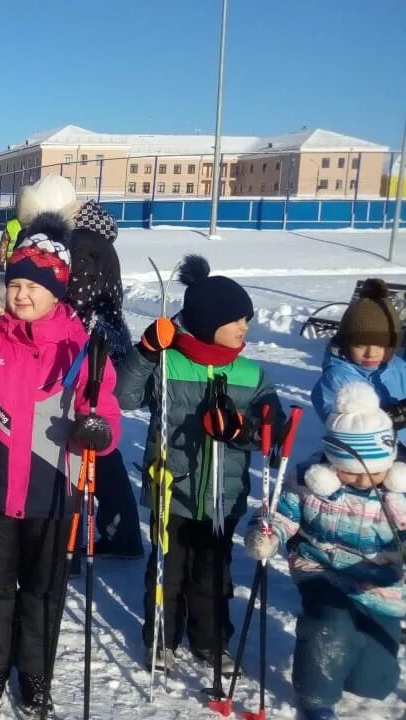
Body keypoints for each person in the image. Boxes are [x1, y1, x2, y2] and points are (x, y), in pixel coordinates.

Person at [0, 215, 121, 715]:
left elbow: (108, 412)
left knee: (43, 587)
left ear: (58, 291)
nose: (23, 295)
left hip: (55, 490)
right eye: (15, 285)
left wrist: (98, 430)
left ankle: (34, 672)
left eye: (35, 286)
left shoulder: (81, 349)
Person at [115, 254, 282, 675]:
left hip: (223, 498)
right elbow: (122, 397)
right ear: (209, 321)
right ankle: (162, 641)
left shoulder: (251, 373)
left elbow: (272, 430)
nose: (246, 327)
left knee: (213, 575)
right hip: (173, 489)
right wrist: (146, 352)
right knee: (167, 574)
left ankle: (211, 642)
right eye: (237, 320)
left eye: (247, 319)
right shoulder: (169, 363)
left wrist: (243, 429)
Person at [244, 381, 406, 720]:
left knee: (375, 682)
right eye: (353, 472)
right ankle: (316, 696)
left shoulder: (399, 491)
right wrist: (267, 535)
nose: (366, 480)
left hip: (382, 584)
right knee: (329, 626)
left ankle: (358, 665)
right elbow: (278, 513)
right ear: (333, 461)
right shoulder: (311, 480)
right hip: (321, 569)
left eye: (375, 470)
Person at [66, 200, 143, 565]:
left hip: (90, 344)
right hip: (108, 338)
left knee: (90, 441)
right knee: (99, 441)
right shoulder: (101, 241)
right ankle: (122, 530)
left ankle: (92, 535)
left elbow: (78, 293)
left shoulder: (82, 241)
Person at [310, 279, 406, 441]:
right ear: (346, 344)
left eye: (382, 346)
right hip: (364, 457)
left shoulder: (398, 367)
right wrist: (395, 416)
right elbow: (342, 426)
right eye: (360, 345)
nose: (371, 353)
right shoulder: (337, 379)